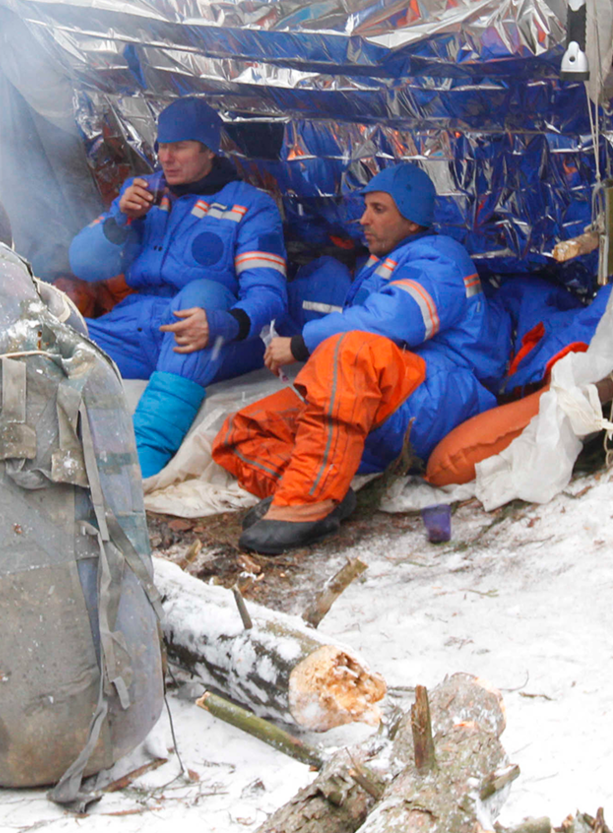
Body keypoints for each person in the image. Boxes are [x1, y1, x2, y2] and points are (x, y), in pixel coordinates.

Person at [212, 164, 507, 554]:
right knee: (242, 432)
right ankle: (324, 489)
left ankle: (306, 502)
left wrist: (302, 345)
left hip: (439, 394)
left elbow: (394, 319)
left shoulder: (440, 259)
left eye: (379, 209)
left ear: (413, 219)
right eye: (365, 207)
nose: (363, 219)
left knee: (349, 349)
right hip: (380, 402)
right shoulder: (380, 263)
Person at [69, 98, 287, 477]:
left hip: (212, 333)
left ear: (208, 150)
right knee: (63, 336)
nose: (166, 157)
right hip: (139, 326)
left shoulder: (250, 206)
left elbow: (270, 296)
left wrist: (224, 323)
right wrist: (119, 219)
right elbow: (82, 264)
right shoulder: (142, 193)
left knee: (203, 292)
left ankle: (141, 460)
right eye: (161, 146)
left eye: (180, 147)